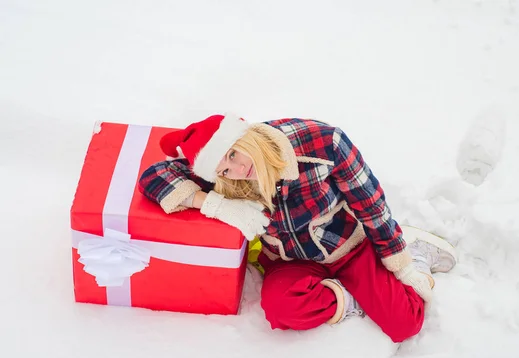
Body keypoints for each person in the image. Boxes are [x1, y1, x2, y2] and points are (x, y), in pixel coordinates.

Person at [138, 114, 456, 342]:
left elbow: (371, 206)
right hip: (289, 261)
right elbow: (153, 176)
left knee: (405, 324)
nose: (236, 169)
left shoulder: (324, 143)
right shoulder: (222, 174)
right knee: (281, 309)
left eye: (233, 153)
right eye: (223, 167)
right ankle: (354, 297)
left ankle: (416, 251)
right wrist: (212, 202)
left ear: (242, 134)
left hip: (348, 246)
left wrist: (401, 267)